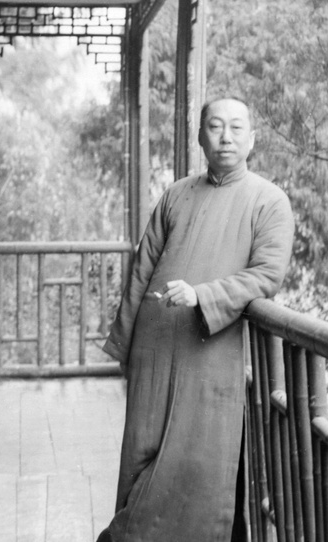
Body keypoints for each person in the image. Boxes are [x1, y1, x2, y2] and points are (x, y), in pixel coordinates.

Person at [97, 98, 295, 541]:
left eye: (236, 128)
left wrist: (202, 295)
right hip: (154, 351)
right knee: (140, 460)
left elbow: (266, 276)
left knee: (194, 468)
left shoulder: (269, 201)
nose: (226, 137)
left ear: (252, 139)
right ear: (200, 135)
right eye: (215, 126)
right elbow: (142, 269)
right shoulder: (177, 193)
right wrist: (126, 347)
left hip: (210, 354)